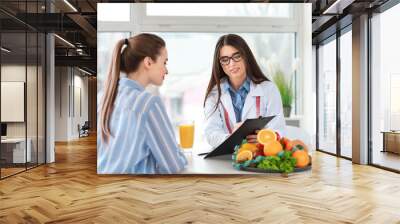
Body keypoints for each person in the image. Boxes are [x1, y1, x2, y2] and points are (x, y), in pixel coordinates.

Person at [98, 33, 187, 174]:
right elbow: (173, 166)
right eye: (164, 62)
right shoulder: (148, 104)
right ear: (148, 62)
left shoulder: (103, 98)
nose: (166, 70)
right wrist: (179, 152)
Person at [203, 34, 286, 148]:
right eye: (225, 59)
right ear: (220, 64)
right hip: (226, 157)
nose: (232, 64)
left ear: (245, 56)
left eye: (236, 56)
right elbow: (211, 133)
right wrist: (233, 138)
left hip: (258, 157)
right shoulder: (214, 94)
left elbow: (279, 128)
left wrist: (264, 138)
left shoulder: (268, 89)